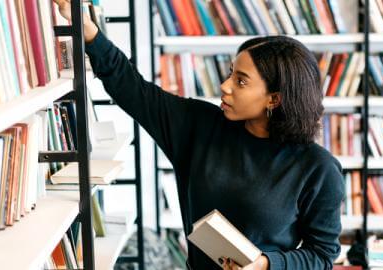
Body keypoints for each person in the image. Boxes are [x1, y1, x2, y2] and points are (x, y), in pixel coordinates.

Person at [54, 1, 345, 269]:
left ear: (274, 99)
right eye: (231, 73)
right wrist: (90, 32)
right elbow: (133, 89)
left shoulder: (318, 168)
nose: (224, 85)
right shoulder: (198, 125)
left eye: (240, 81)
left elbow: (321, 255)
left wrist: (266, 264)